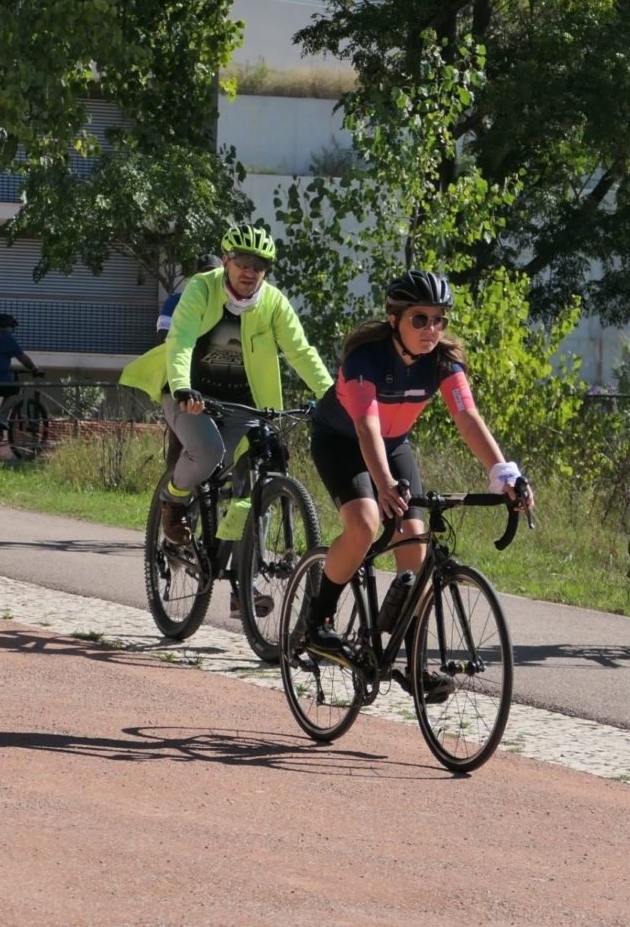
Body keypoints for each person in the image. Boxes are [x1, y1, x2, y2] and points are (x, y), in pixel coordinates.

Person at [299, 269, 533, 702]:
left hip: (394, 444)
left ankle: (412, 663)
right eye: (420, 319)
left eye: (439, 319)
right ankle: (317, 619)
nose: (432, 329)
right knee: (365, 523)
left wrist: (504, 474)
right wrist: (384, 484)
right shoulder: (365, 359)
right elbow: (366, 426)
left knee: (416, 545)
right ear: (395, 319)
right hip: (342, 441)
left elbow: (467, 418)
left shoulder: (444, 361)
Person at [121, 224, 332, 548]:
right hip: (190, 396)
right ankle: (174, 499)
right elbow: (181, 340)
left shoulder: (273, 302)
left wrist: (332, 396)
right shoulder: (202, 289)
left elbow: (301, 352)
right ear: (225, 261)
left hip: (246, 403)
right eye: (242, 262)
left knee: (262, 475)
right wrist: (181, 387)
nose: (250, 271)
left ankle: (245, 581)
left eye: (258, 265)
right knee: (208, 451)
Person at [155, 254, 220, 337]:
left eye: (215, 275)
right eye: (204, 275)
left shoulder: (230, 306)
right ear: (194, 277)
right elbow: (164, 337)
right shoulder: (175, 301)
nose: (209, 279)